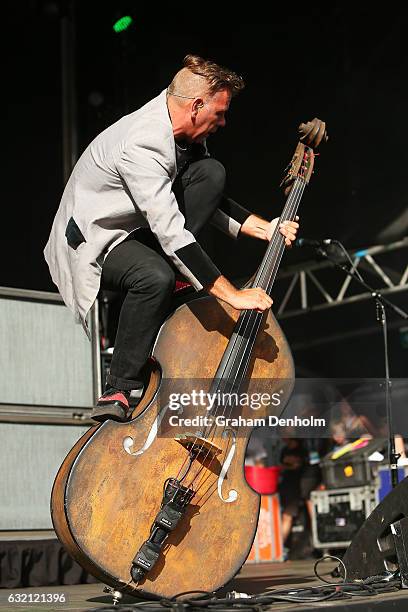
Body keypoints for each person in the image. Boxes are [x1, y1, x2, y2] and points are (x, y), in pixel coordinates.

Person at [44, 54, 299, 422]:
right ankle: (119, 385)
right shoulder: (143, 144)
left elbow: (204, 194)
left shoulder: (183, 134)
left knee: (210, 172)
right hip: (93, 241)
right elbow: (171, 231)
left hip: (135, 227)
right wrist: (233, 295)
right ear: (196, 106)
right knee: (154, 276)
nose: (223, 122)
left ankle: (174, 282)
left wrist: (265, 228)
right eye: (220, 112)